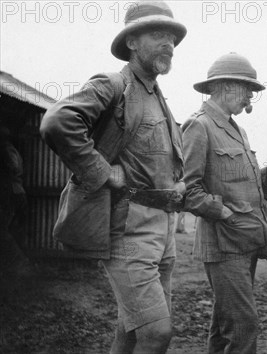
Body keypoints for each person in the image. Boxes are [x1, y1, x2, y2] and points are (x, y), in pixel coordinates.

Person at [39, 2, 187, 353]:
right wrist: (103, 171)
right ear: (132, 42)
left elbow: (155, 159)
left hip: (163, 228)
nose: (167, 43)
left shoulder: (158, 97)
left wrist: (175, 184)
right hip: (128, 227)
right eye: (157, 34)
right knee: (157, 332)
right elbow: (58, 122)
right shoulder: (114, 84)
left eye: (171, 36)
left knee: (133, 328)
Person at [182, 52, 267, 353]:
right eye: (246, 89)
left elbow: (249, 187)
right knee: (243, 325)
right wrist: (224, 214)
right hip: (223, 244)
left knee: (224, 324)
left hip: (246, 241)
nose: (251, 97)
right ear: (225, 86)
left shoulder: (237, 130)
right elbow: (189, 190)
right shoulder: (198, 126)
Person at [0, 124, 32, 278]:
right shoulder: (10, 149)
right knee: (11, 229)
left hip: (12, 192)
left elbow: (12, 167)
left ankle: (21, 262)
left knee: (3, 230)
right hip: (15, 191)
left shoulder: (6, 149)